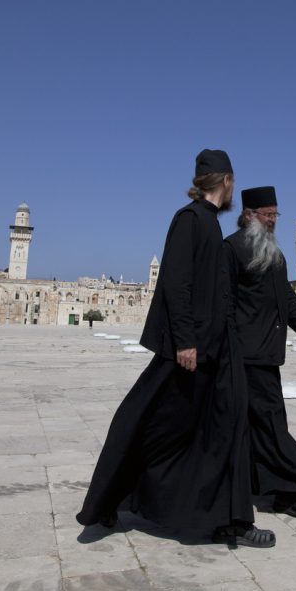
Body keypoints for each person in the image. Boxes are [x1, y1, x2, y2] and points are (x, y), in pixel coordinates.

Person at [76, 149, 272, 548]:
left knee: (227, 428)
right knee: (149, 421)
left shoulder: (210, 225)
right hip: (192, 351)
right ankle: (111, 500)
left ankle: (231, 521)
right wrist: (185, 341)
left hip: (218, 349)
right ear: (227, 181)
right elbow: (175, 284)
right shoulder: (189, 221)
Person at [224, 186, 296, 518]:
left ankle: (267, 487)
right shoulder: (233, 249)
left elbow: (284, 294)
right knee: (269, 422)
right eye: (267, 215)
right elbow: (222, 303)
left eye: (275, 215)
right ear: (249, 215)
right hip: (246, 353)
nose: (272, 221)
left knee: (264, 422)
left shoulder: (274, 253)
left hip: (268, 353)